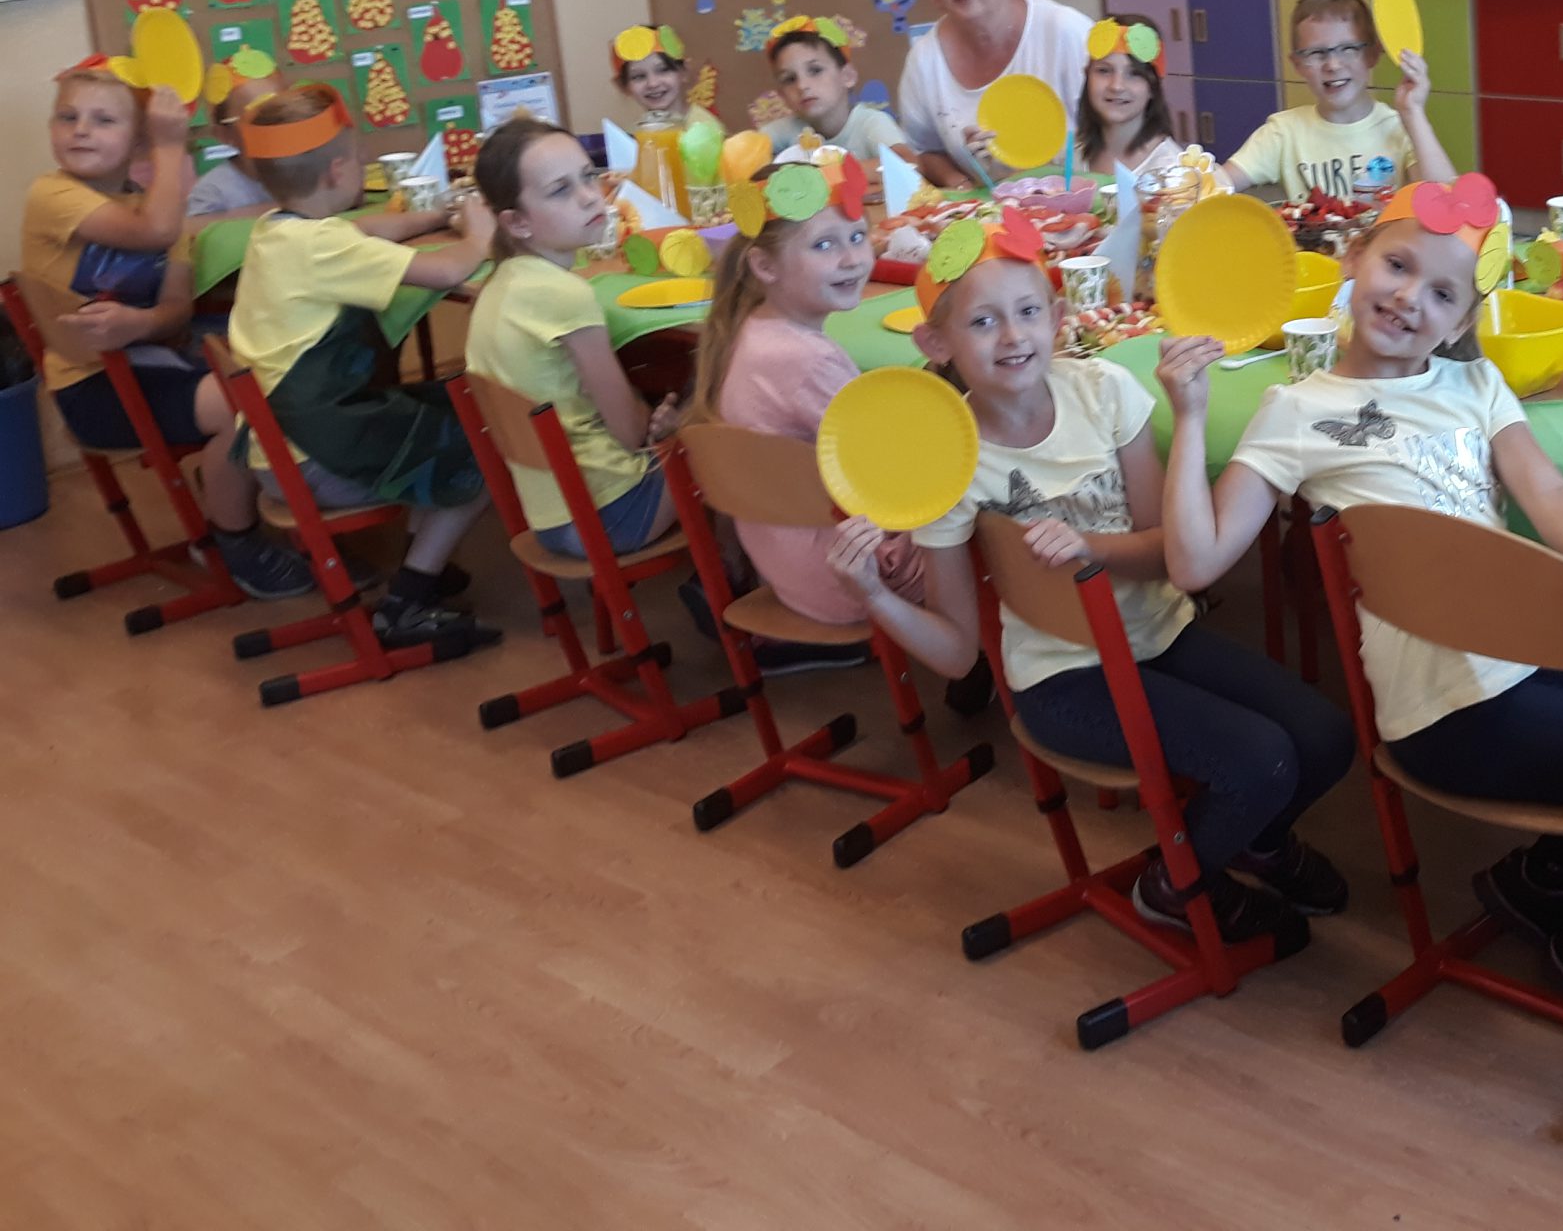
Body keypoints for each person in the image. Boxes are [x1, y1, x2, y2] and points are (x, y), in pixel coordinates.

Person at [1162, 174, 1563, 1021]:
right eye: (1397, 266)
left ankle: (1547, 874)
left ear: (1460, 321)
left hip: (1530, 652)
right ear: (1354, 258)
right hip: (1449, 712)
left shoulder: (1475, 384)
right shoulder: (1295, 410)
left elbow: (1547, 492)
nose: (1410, 298)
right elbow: (1196, 564)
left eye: (1443, 293)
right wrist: (1190, 416)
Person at [907, 214, 1355, 948]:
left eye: (1028, 312)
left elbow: (1167, 554)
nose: (1013, 336)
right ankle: (1174, 886)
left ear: (1058, 317)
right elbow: (959, 655)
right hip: (1061, 679)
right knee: (1260, 761)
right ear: (937, 343)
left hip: (1158, 633)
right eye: (983, 322)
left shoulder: (1104, 390)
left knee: (1325, 736)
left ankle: (1256, 843)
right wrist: (871, 593)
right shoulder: (947, 458)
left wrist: (1091, 547)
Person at [689, 154, 991, 697]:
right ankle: (979, 655)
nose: (852, 258)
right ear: (765, 266)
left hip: (791, 567)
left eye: (856, 237)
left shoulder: (749, 329)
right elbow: (902, 474)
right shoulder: (806, 359)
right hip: (848, 574)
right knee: (995, 492)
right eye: (824, 245)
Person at [21, 61, 307, 595]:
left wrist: (140, 321)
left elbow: (176, 310)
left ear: (137, 141)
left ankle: (272, 510)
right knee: (246, 407)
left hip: (153, 365)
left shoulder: (157, 207)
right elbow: (155, 231)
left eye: (104, 120)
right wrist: (171, 146)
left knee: (273, 383)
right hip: (95, 388)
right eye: (68, 117)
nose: (81, 130)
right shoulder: (52, 195)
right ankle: (234, 541)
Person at [227, 85, 496, 645]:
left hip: (279, 446)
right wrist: (479, 234)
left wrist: (435, 215)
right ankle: (408, 600)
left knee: (452, 404)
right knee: (489, 440)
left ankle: (425, 563)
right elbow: (450, 271)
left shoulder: (278, 230)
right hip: (315, 457)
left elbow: (364, 231)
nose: (363, 162)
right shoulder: (322, 249)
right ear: (338, 170)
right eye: (357, 157)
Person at [463, 120, 682, 559]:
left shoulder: (499, 283)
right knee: (726, 424)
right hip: (615, 511)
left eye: (588, 176)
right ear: (516, 222)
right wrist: (672, 422)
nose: (589, 196)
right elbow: (632, 433)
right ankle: (727, 575)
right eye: (560, 190)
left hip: (553, 515)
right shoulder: (564, 295)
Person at [896, 0, 1095, 186]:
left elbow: (1124, 128)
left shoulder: (1066, 32)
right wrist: (962, 187)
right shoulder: (924, 60)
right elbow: (924, 152)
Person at [1218, 0, 1453, 199]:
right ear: (1298, 64)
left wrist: (1413, 112)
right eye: (1316, 53)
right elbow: (1215, 187)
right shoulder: (1283, 133)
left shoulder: (1401, 128)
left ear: (1372, 54)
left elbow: (1446, 202)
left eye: (1348, 49)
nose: (1333, 65)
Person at [757, 17, 911, 165]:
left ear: (847, 76)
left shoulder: (870, 123)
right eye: (790, 79)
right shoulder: (782, 131)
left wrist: (826, 174)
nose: (802, 85)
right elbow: (744, 161)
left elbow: (908, 163)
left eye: (815, 70)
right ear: (782, 96)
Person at [1078, 16, 1180, 178]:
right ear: (1087, 76)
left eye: (1134, 74)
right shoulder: (1073, 156)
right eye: (1104, 71)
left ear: (1153, 86)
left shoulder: (1171, 171)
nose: (1116, 86)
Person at [187, 65, 277, 218]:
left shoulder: (308, 171)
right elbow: (194, 228)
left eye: (283, 115)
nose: (275, 128)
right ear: (224, 134)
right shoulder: (212, 192)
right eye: (257, 120)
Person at [609, 24, 722, 141]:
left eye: (663, 70)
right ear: (623, 86)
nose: (652, 83)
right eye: (639, 77)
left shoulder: (704, 129)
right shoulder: (631, 136)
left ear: (683, 71)